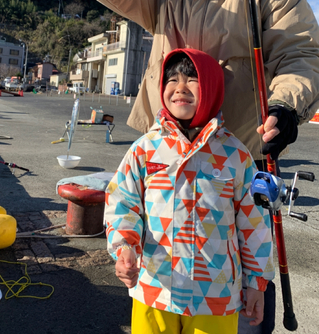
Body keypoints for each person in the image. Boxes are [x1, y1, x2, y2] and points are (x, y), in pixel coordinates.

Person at [40, 0, 319, 332]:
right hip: (166, 151)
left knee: (245, 271)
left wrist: (287, 106)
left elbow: (302, 54)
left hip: (236, 154)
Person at [105, 48, 274, 334]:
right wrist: (124, 247)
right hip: (154, 290)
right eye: (172, 80)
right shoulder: (145, 149)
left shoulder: (236, 154)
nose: (180, 87)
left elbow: (254, 221)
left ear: (212, 87)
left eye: (192, 79)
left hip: (216, 295)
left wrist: (257, 282)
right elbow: (123, 202)